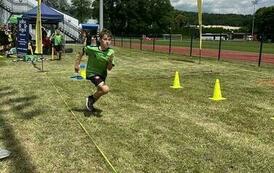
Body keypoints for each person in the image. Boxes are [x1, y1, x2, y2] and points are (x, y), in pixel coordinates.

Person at [74, 29, 115, 112]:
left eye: (109, 40)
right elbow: (82, 51)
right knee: (105, 89)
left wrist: (110, 61)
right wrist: (77, 64)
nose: (107, 42)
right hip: (91, 73)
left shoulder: (111, 52)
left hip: (102, 74)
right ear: (100, 40)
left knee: (100, 91)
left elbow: (109, 68)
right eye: (105, 39)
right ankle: (90, 99)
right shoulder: (93, 49)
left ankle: (90, 103)